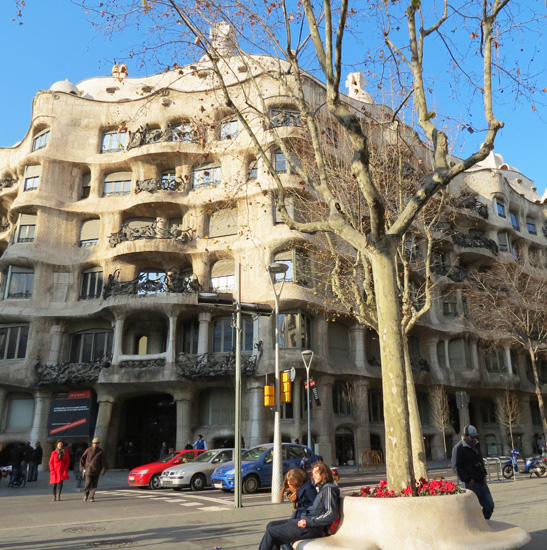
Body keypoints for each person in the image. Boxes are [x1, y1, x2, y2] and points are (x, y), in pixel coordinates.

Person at [258, 462, 340, 550]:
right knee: (271, 526)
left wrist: (308, 522)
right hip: (305, 523)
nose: (313, 476)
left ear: (324, 474)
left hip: (310, 528)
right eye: (313, 474)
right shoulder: (323, 489)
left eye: (316, 473)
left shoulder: (328, 489)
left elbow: (330, 514)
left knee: (271, 532)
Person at [455, 425, 494, 520]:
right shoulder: (460, 448)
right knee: (473, 508)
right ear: (465, 435)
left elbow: (480, 460)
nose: (474, 439)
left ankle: (484, 522)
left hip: (481, 481)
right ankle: (478, 523)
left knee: (490, 505)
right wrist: (467, 479)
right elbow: (458, 466)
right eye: (472, 437)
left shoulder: (476, 445)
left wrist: (484, 473)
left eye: (475, 436)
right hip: (471, 484)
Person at [80, 437, 107, 502]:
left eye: (97, 443)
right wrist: (82, 467)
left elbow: (103, 462)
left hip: (96, 470)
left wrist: (103, 470)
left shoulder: (100, 451)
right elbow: (82, 459)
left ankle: (92, 496)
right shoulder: (88, 450)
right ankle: (86, 495)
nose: (95, 444)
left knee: (94, 484)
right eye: (94, 443)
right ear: (92, 443)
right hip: (88, 470)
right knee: (88, 483)